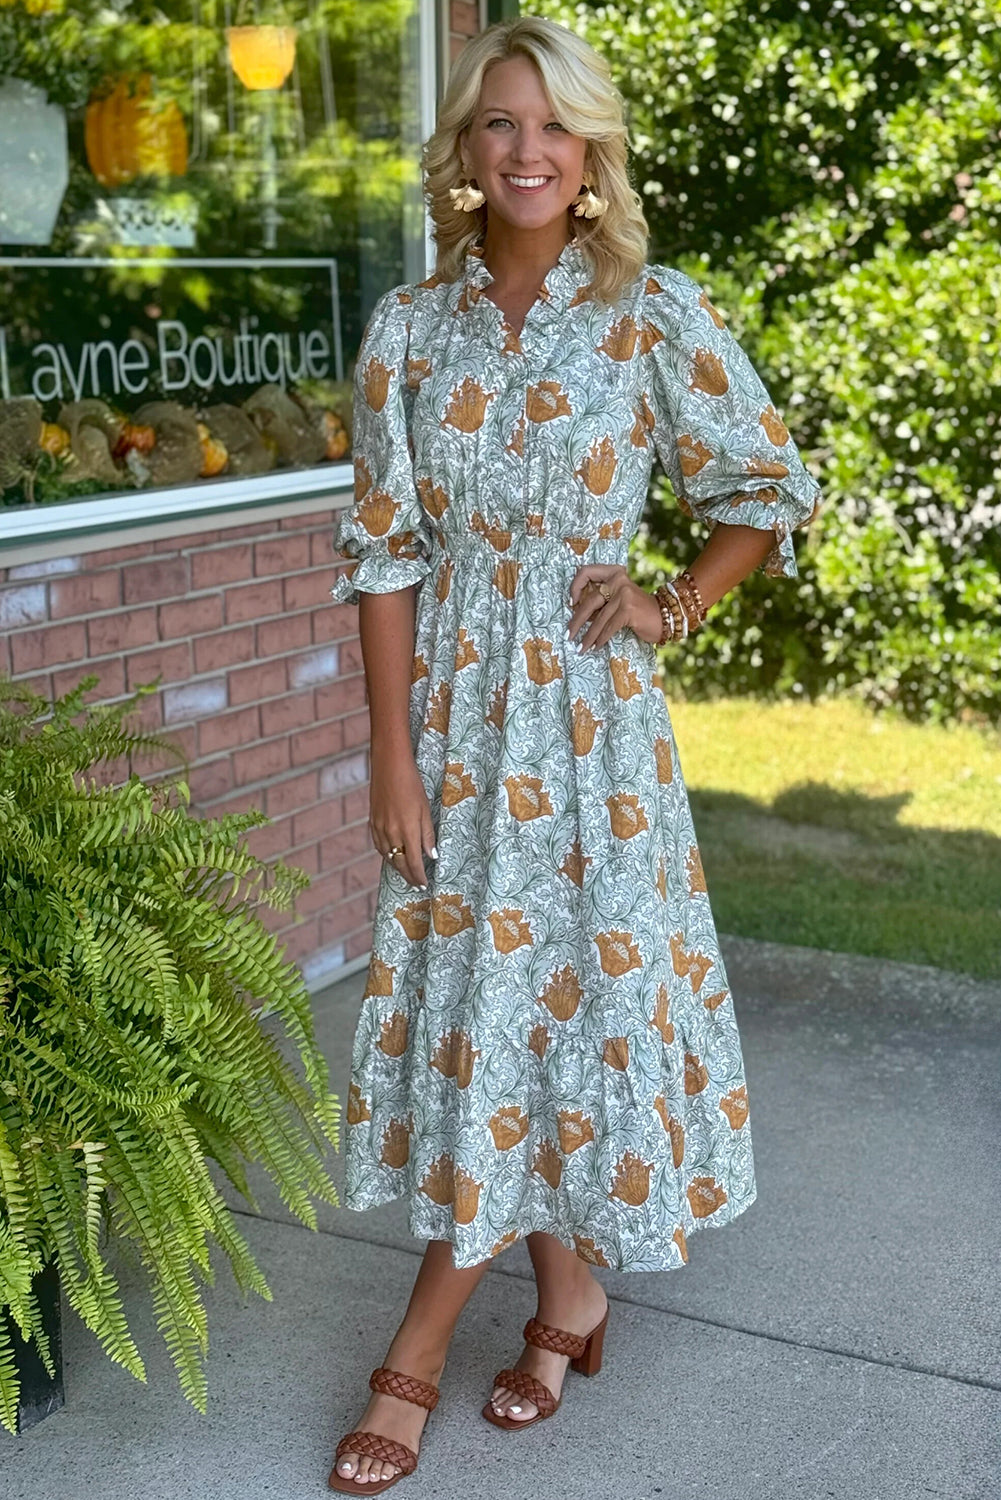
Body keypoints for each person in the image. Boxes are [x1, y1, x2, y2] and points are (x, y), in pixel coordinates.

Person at [325, 14, 822, 1494]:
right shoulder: (408, 330)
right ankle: (570, 1303)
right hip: (455, 730)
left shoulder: (651, 314)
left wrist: (675, 602)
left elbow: (764, 484)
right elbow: (384, 556)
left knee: (551, 1005)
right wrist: (391, 758)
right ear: (465, 151)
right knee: (496, 1012)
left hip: (595, 737)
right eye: (500, 123)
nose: (527, 150)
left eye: (553, 125)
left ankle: (414, 1355)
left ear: (591, 152)